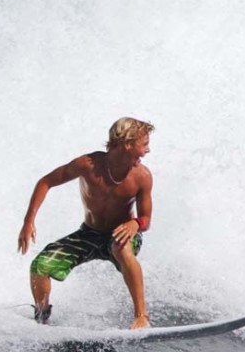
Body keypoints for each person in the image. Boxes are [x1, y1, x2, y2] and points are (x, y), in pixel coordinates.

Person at [17, 117, 154, 330]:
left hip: (122, 234)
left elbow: (146, 219)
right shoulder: (88, 165)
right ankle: (41, 316)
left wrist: (135, 224)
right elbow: (46, 182)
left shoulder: (142, 177)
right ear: (127, 144)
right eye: (144, 144)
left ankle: (142, 316)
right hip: (88, 234)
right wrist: (28, 221)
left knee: (121, 247)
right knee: (40, 265)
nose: (148, 150)